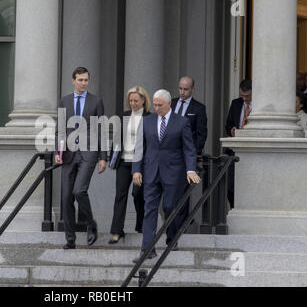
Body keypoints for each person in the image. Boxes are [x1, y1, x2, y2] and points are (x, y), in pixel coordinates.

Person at [131, 90, 200, 262]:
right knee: (150, 209)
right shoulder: (147, 121)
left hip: (173, 172)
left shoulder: (181, 122)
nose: (157, 108)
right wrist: (136, 170)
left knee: (169, 207)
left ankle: (172, 238)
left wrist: (190, 170)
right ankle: (147, 249)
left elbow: (189, 149)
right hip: (151, 172)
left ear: (169, 104)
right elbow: (139, 148)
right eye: (155, 104)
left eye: (160, 105)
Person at [55, 67, 107, 250]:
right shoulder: (65, 101)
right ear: (73, 80)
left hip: (89, 152)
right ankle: (70, 239)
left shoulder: (96, 101)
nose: (84, 83)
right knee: (66, 197)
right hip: (69, 153)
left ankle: (90, 222)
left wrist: (103, 157)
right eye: (80, 80)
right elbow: (60, 129)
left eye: (86, 80)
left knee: (79, 191)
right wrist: (57, 152)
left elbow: (101, 129)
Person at [108, 86, 151, 244]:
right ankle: (116, 231)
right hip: (124, 161)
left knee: (138, 194)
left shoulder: (149, 118)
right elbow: (117, 139)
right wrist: (112, 158)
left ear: (143, 101)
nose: (133, 103)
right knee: (120, 195)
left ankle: (141, 224)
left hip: (141, 162)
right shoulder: (123, 116)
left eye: (136, 101)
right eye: (130, 101)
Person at [225, 79, 252, 209]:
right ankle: (234, 209)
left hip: (252, 151)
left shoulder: (259, 107)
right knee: (230, 186)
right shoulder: (236, 103)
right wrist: (231, 130)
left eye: (247, 96)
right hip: (234, 151)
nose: (244, 98)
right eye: (242, 95)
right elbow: (228, 124)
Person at [171, 76, 208, 156]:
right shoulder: (171, 103)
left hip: (187, 152)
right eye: (180, 88)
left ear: (192, 89)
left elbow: (201, 133)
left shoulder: (199, 108)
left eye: (185, 89)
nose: (182, 92)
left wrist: (194, 152)